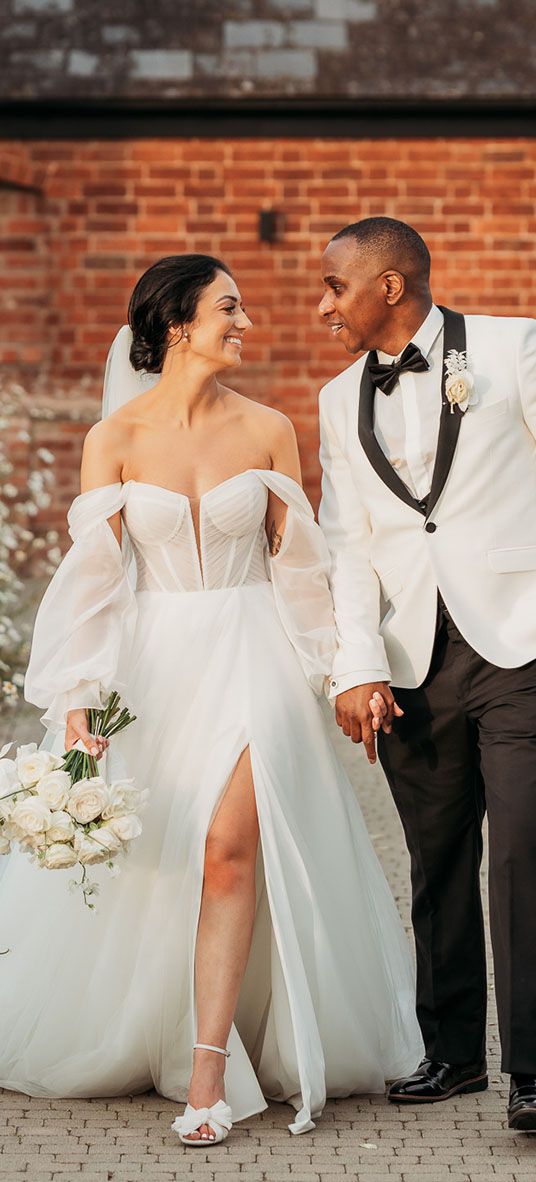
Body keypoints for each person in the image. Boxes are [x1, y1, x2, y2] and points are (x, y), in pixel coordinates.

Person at [0, 254, 422, 1145]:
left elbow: (303, 570)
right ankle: (161, 1026)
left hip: (253, 652)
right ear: (175, 325)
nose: (248, 323)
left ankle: (207, 1074)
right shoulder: (110, 441)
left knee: (231, 847)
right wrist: (78, 693)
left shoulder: (270, 429)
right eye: (229, 307)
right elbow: (93, 583)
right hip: (154, 666)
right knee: (168, 863)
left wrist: (341, 669)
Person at [317, 215, 536, 1132]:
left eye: (335, 288)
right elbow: (347, 542)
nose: (324, 306)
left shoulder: (512, 346)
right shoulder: (336, 399)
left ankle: (532, 1072)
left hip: (518, 643)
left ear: (390, 286)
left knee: (523, 857)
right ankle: (452, 1056)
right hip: (410, 663)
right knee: (437, 862)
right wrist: (356, 669)